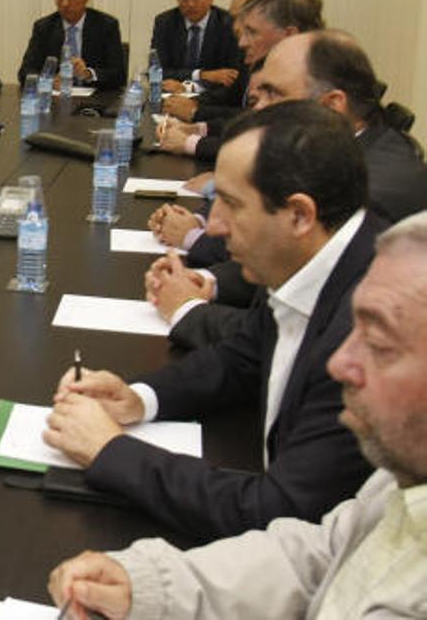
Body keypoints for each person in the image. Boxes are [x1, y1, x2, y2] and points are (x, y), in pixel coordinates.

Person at [48, 210, 427, 620]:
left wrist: (112, 450)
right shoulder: (400, 480)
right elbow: (321, 556)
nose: (339, 362)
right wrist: (154, 587)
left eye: (378, 342)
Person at [44, 101, 379, 541]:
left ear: (299, 215)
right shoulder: (313, 259)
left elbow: (278, 513)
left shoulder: (370, 330)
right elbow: (243, 357)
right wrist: (139, 398)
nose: (215, 226)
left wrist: (111, 451)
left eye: (232, 204)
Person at [147, 31, 427, 351]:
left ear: (332, 107)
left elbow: (279, 339)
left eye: (273, 96)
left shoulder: (369, 197)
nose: (257, 112)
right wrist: (208, 282)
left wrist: (187, 308)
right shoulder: (330, 156)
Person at [157, 0, 323, 158]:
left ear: (289, 35)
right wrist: (199, 128)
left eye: (251, 31)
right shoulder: (263, 65)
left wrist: (191, 142)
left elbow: (268, 149)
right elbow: (250, 119)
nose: (242, 41)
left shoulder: (311, 81)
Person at [16, 0, 125, 91]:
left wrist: (88, 74)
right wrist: (48, 82)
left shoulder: (106, 25)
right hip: (55, 101)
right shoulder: (44, 27)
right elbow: (25, 73)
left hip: (95, 101)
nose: (65, 3)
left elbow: (119, 74)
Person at [149, 0, 242, 94]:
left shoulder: (229, 24)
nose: (191, 3)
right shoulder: (165, 22)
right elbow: (156, 72)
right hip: (170, 95)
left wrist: (189, 87)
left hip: (214, 100)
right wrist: (201, 75)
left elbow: (231, 77)